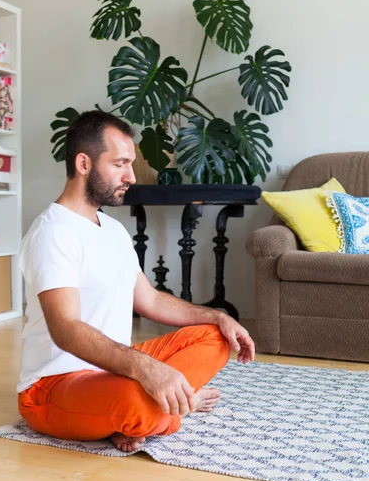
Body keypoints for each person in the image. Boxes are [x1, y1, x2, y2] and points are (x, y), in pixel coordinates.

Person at [17, 110, 255, 452]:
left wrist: (218, 316)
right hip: (54, 385)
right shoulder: (52, 233)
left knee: (216, 337)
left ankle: (152, 407)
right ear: (84, 164)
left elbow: (152, 300)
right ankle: (172, 404)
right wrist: (147, 369)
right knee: (137, 403)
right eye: (120, 164)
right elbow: (66, 329)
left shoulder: (112, 229)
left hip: (114, 369)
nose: (130, 175)